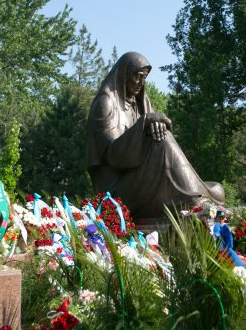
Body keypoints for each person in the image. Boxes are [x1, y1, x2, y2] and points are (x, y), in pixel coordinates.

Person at [86, 52, 224, 219]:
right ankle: (195, 200)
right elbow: (114, 156)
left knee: (217, 189)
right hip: (116, 192)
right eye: (137, 77)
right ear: (124, 75)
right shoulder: (106, 102)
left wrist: (149, 123)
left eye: (144, 77)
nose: (141, 82)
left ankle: (195, 196)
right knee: (162, 139)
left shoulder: (141, 102)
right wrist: (143, 123)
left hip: (142, 178)